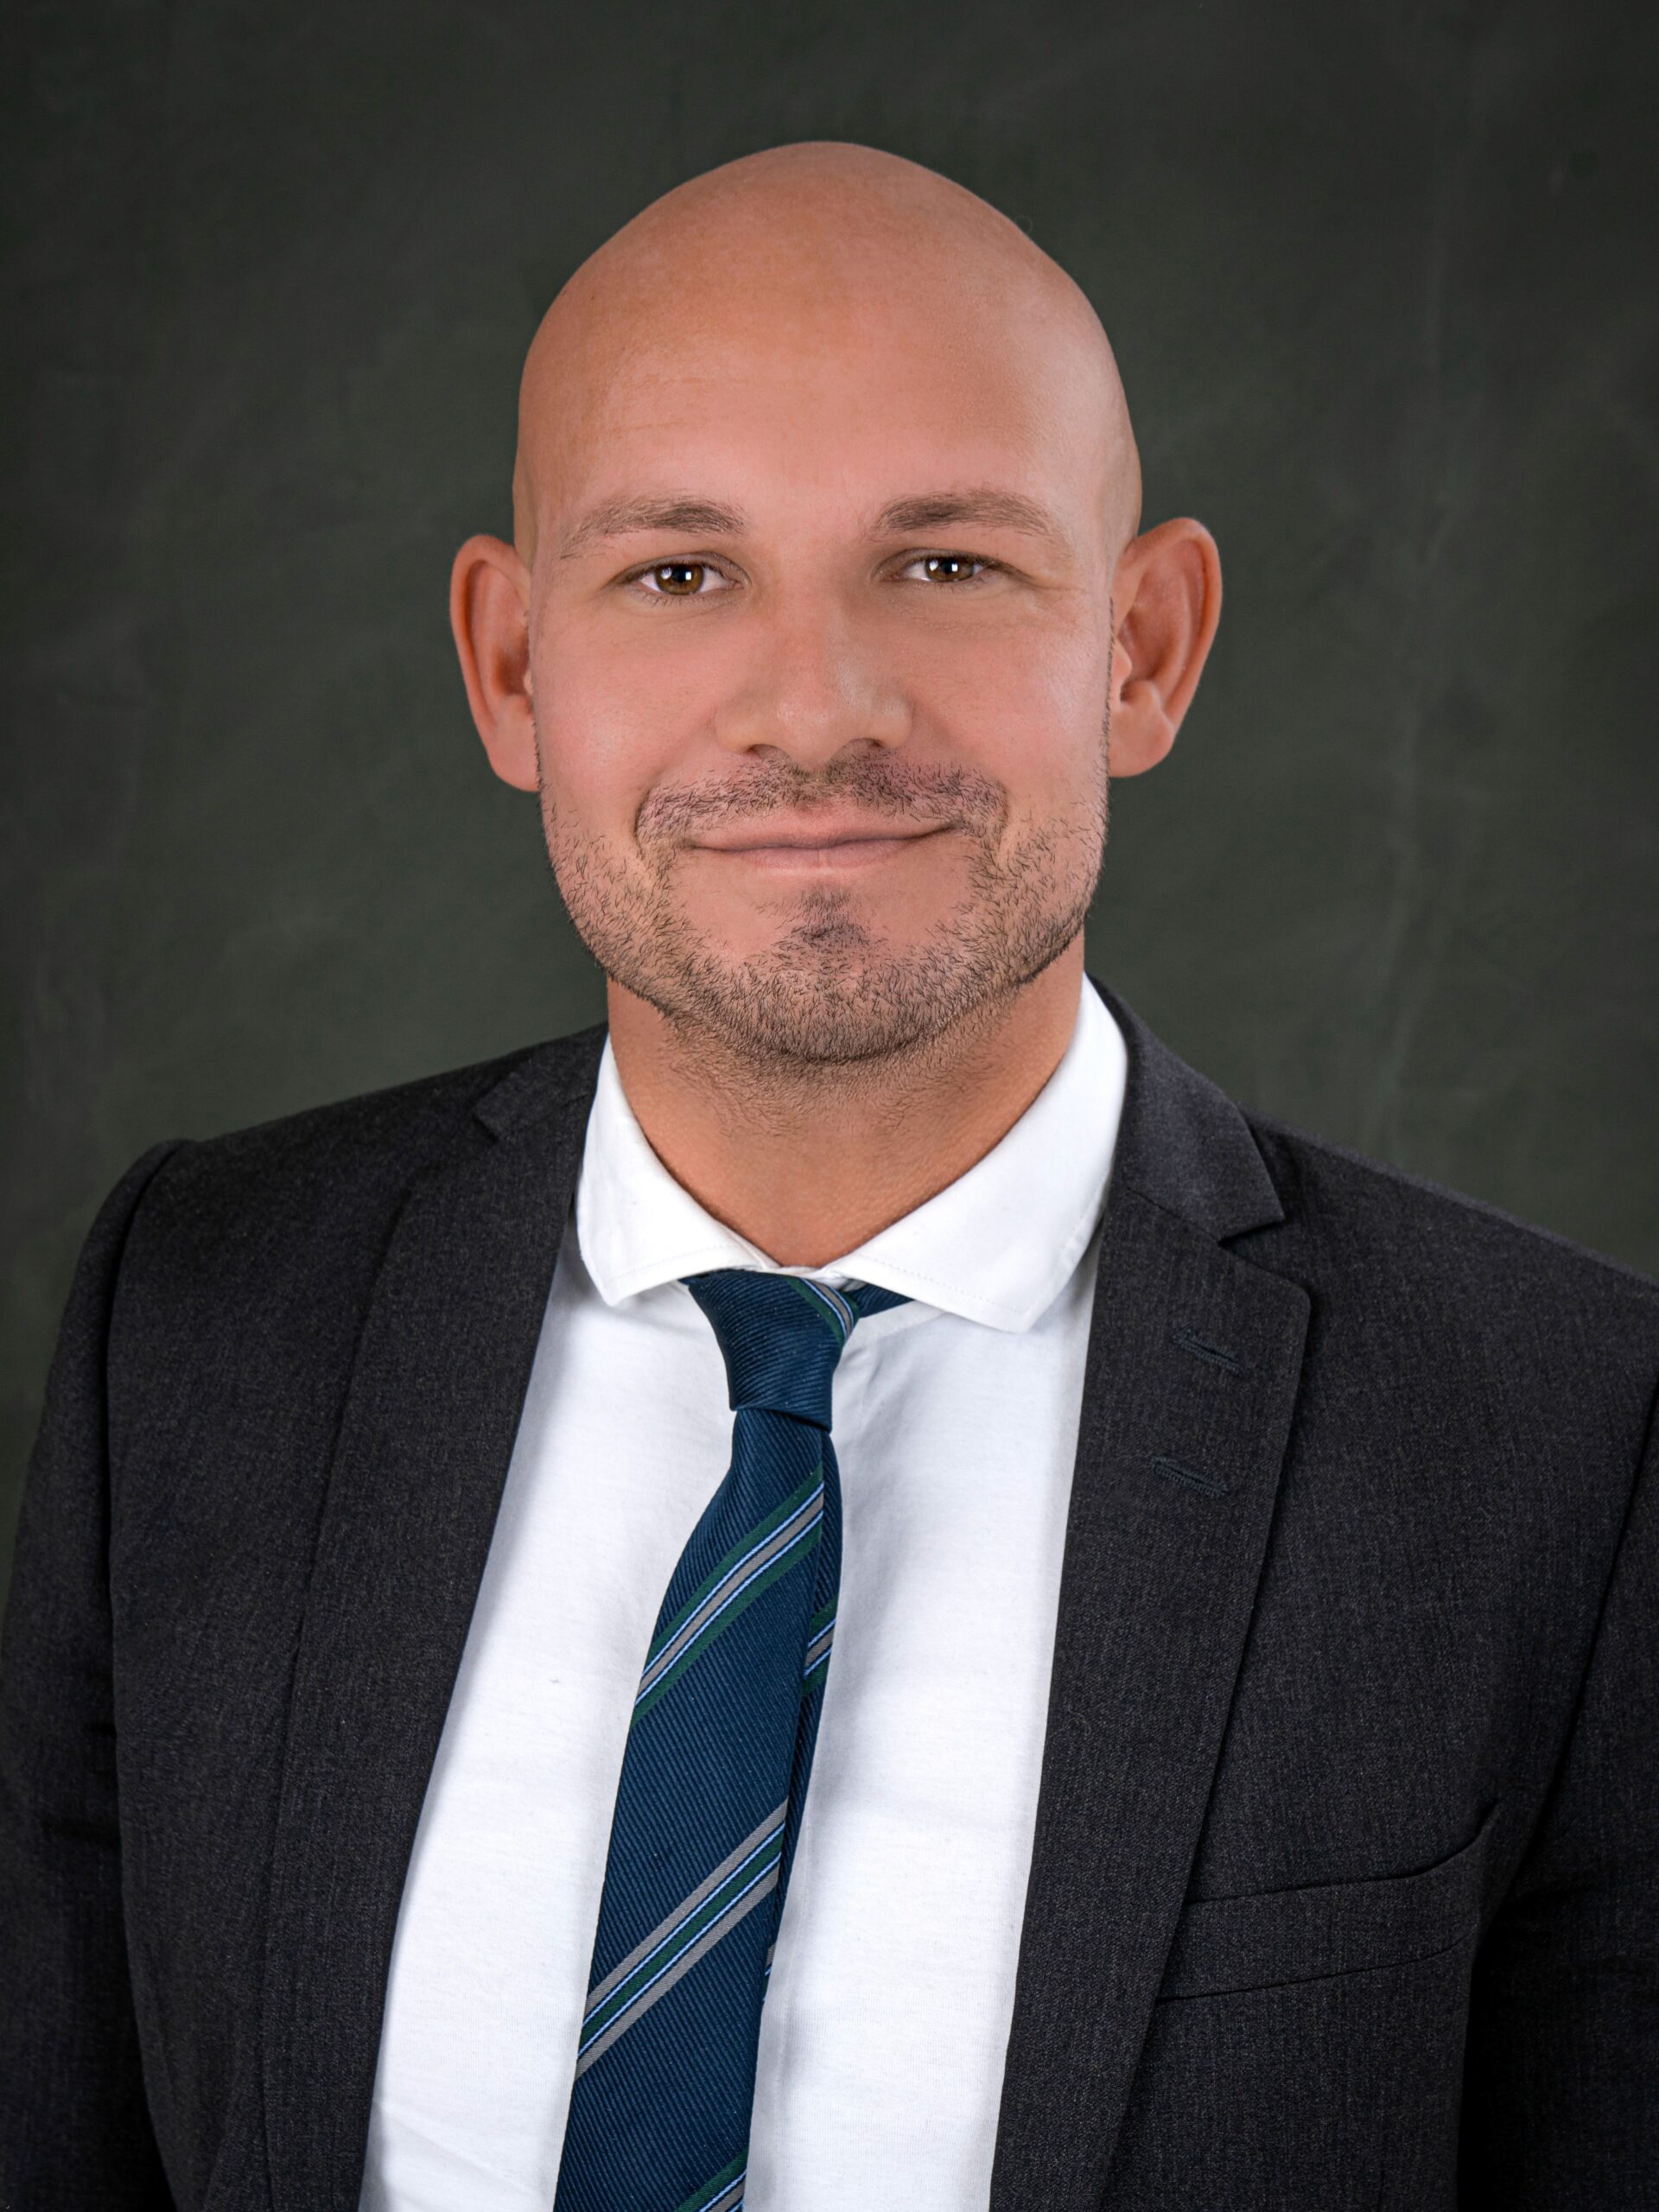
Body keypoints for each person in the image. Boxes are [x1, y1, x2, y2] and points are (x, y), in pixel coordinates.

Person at [1, 140, 1654, 2212]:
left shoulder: (1563, 1431)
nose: (815, 710)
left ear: (1144, 646)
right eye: (678, 573)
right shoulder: (202, 1312)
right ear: (512, 666)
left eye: (945, 563)